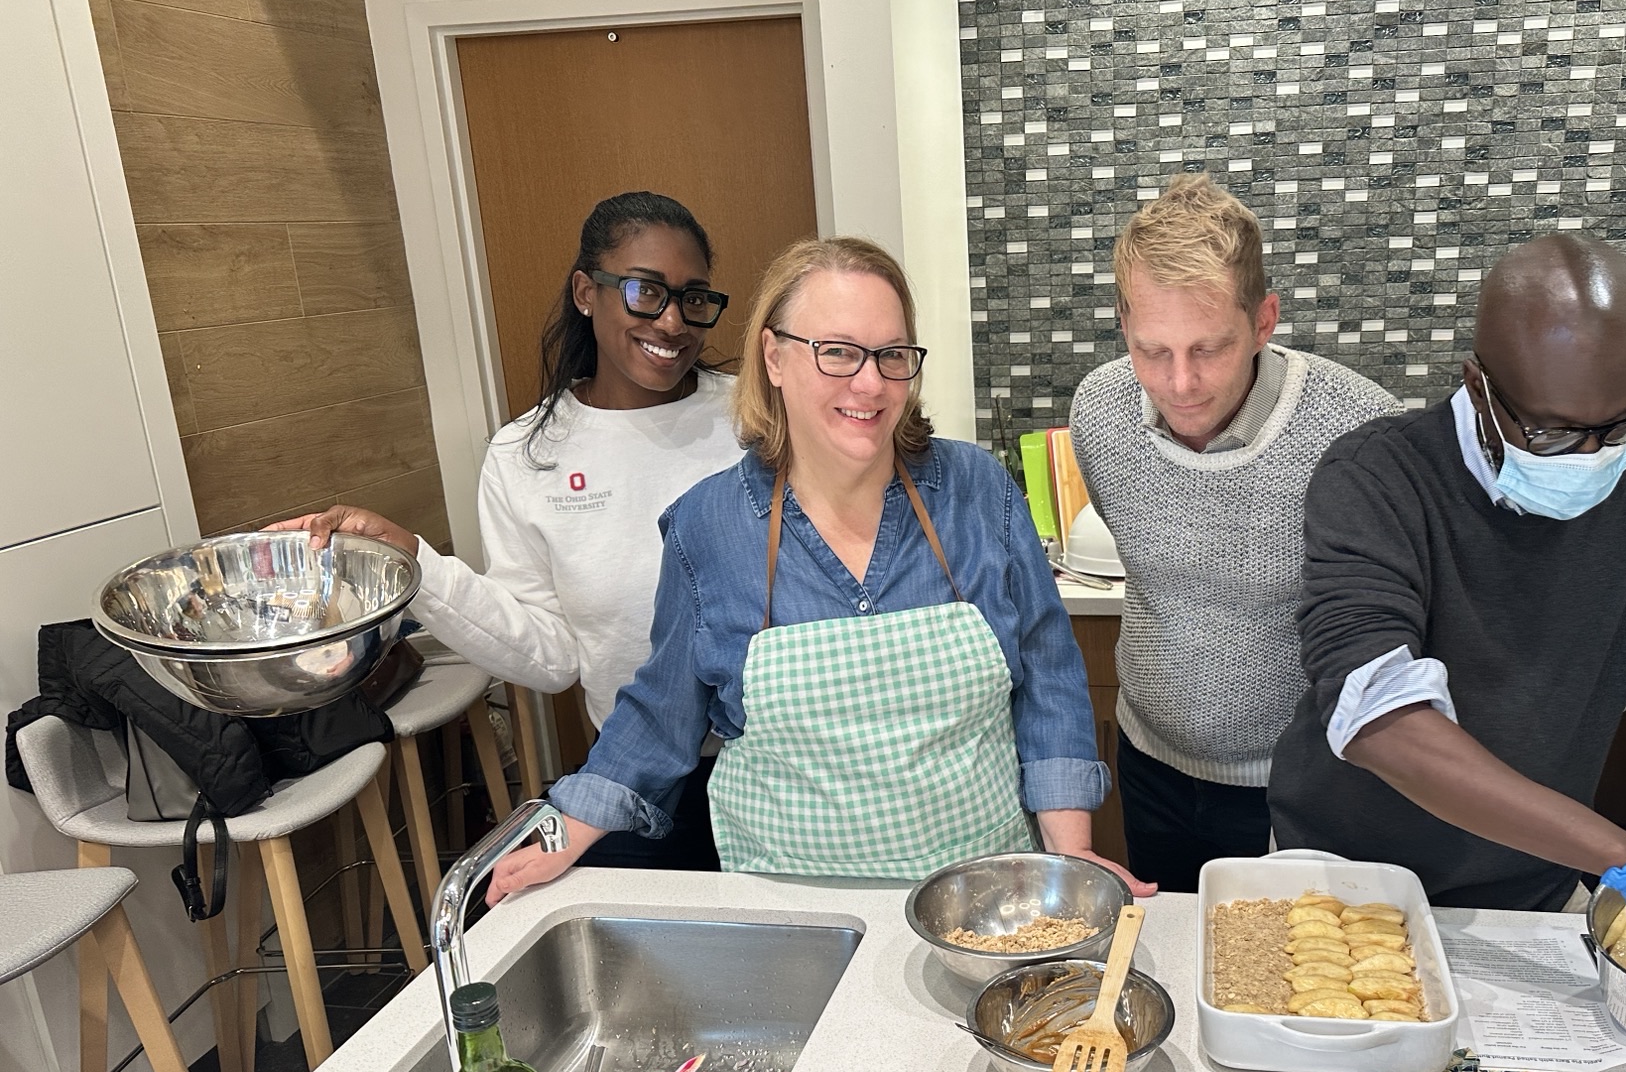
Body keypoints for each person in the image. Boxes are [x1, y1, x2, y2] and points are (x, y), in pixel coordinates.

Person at [1267, 233, 1626, 998]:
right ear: (1478, 387)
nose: (1592, 455)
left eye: (1624, 422)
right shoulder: (1378, 476)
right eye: (1555, 432)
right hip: (1347, 880)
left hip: (1532, 878)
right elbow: (1382, 721)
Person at [487, 236, 1140, 900]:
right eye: (837, 351)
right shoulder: (708, 528)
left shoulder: (976, 490)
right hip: (794, 913)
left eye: (892, 355)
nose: (870, 383)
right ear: (773, 357)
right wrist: (563, 836)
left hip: (983, 898)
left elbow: (1048, 677)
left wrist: (1072, 854)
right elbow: (661, 714)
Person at [275, 191, 742, 869]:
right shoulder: (527, 456)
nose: (672, 322)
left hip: (784, 764)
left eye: (692, 297)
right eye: (644, 291)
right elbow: (551, 658)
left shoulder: (755, 420)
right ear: (586, 293)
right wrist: (414, 563)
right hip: (634, 778)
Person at [1067, 176, 1397, 892]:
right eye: (1153, 351)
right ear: (1124, 324)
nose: (1180, 383)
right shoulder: (1098, 412)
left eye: (1209, 348)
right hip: (1149, 759)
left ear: (1264, 320)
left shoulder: (1359, 431)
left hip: (1303, 779)